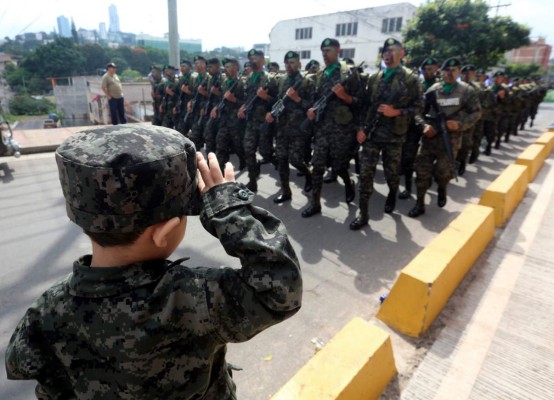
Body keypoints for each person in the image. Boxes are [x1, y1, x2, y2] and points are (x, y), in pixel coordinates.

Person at [5, 125, 303, 399]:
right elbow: (280, 289)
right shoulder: (192, 297)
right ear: (165, 233)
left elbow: (35, 375)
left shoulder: (47, 310)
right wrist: (228, 208)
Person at [350, 38, 421, 230]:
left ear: (401, 54)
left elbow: (418, 107)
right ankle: (363, 214)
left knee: (391, 173)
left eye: (392, 51)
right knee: (365, 175)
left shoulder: (410, 79)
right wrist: (361, 129)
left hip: (394, 136)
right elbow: (366, 106)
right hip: (372, 135)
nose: (388, 55)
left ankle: (392, 192)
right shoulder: (375, 78)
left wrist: (397, 112)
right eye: (385, 52)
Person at [408, 57, 481, 218]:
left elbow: (476, 112)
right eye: (446, 70)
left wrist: (460, 124)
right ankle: (419, 204)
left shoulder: (466, 91)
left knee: (442, 173)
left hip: (450, 140)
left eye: (453, 70)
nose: (449, 73)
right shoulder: (433, 90)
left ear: (459, 72)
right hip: (429, 139)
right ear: (441, 72)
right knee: (421, 173)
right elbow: (418, 112)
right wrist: (424, 126)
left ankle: (442, 187)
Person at [301, 38, 363, 218]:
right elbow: (315, 100)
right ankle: (315, 203)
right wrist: (311, 110)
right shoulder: (320, 75)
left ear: (338, 51)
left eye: (328, 51)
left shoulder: (349, 74)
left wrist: (344, 96)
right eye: (323, 52)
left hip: (342, 130)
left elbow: (361, 103)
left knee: (339, 166)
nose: (325, 55)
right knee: (318, 166)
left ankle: (348, 183)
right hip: (322, 129)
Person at [266, 51, 314, 203]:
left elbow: (313, 108)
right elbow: (276, 100)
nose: (289, 65)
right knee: (282, 160)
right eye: (286, 62)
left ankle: (308, 174)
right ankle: (286, 191)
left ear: (299, 64)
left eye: (292, 62)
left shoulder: (307, 82)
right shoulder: (282, 81)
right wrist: (271, 113)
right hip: (282, 127)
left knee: (295, 160)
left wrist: (297, 99)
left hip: (298, 128)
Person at [238, 48, 278, 192]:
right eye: (250, 58)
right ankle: (252, 181)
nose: (251, 60)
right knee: (248, 150)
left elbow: (278, 102)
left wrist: (265, 97)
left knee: (266, 152)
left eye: (254, 58)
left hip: (264, 123)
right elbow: (247, 98)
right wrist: (242, 107)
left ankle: (276, 160)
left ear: (262, 60)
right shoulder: (248, 78)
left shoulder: (271, 79)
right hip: (251, 122)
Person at [399, 56, 438, 200]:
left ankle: (429, 180)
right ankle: (408, 188)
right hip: (414, 127)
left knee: (428, 159)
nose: (427, 71)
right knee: (408, 159)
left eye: (430, 69)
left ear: (436, 69)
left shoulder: (439, 87)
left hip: (432, 128)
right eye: (425, 69)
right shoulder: (417, 84)